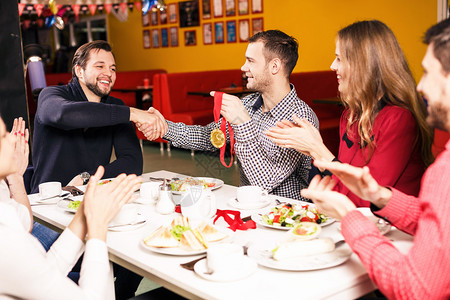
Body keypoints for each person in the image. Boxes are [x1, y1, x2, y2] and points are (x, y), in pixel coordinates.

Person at [301, 18, 450, 299]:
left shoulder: (404, 124)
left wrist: (320, 153)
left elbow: (415, 289)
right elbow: (439, 217)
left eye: (428, 72)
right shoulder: (350, 116)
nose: (420, 86)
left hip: (397, 243)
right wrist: (381, 196)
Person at [30, 40, 161, 299]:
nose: (108, 73)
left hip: (94, 210)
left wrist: (87, 180)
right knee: (49, 276)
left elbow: (132, 162)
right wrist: (132, 113)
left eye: (113, 68)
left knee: (142, 248)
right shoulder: (51, 96)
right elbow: (66, 116)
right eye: (99, 65)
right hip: (47, 215)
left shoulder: (115, 107)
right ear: (79, 70)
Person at [266, 20, 433, 207]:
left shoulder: (400, 118)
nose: (332, 66)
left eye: (339, 59)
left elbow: (366, 200)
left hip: (393, 229)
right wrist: (312, 150)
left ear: (363, 65)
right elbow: (338, 186)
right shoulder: (351, 115)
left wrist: (318, 149)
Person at [139, 30, 319, 200]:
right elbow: (207, 137)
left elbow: (264, 182)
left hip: (286, 215)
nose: (243, 67)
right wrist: (165, 127)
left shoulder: (300, 117)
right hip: (248, 208)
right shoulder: (248, 103)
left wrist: (242, 122)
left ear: (274, 66)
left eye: (250, 61)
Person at [0, 115, 141, 299]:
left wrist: (84, 214)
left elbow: (43, 273)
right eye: (2, 137)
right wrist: (98, 228)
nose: (12, 138)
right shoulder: (7, 242)